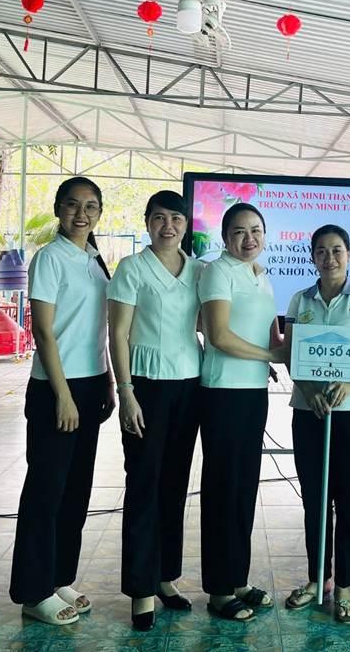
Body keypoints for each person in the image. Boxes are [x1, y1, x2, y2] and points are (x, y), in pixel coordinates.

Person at [9, 177, 114, 625]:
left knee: (75, 489)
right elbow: (44, 331)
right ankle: (33, 592)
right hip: (57, 388)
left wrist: (108, 381)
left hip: (91, 384)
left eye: (90, 206)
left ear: (99, 213)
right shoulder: (50, 258)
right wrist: (63, 395)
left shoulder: (94, 259)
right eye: (72, 205)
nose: (81, 214)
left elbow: (97, 329)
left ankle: (58, 577)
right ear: (58, 209)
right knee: (46, 490)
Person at [282, 225, 350, 624]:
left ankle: (344, 585)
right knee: (315, 500)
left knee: (348, 500)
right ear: (312, 256)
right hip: (308, 411)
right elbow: (292, 353)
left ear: (349, 254)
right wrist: (309, 389)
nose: (330, 258)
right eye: (322, 251)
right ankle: (318, 579)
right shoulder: (300, 299)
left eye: (337, 250)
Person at [107, 190, 203, 631]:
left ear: (186, 225)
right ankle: (141, 589)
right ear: (147, 222)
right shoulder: (132, 268)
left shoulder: (198, 270)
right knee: (144, 483)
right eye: (160, 218)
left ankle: (165, 577)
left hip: (190, 385)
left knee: (175, 484)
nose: (168, 226)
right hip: (145, 385)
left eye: (176, 219)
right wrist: (126, 392)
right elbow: (118, 334)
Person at [198, 202, 284, 622]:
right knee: (222, 490)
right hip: (223, 393)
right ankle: (218, 590)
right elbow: (218, 335)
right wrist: (269, 355)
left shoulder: (261, 276)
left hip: (253, 393)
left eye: (256, 231)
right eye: (239, 231)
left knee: (244, 489)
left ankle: (238, 579)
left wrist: (293, 354)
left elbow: (268, 338)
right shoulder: (218, 272)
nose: (249, 239)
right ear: (225, 237)